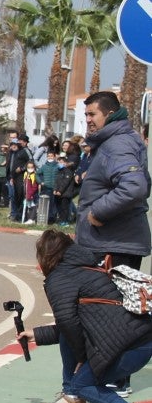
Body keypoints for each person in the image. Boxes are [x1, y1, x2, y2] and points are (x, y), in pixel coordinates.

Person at [19, 229, 152, 403]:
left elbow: (69, 323)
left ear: (46, 256)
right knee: (68, 338)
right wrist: (38, 335)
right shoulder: (91, 268)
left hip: (128, 348)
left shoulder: (59, 278)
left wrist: (82, 359)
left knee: (83, 383)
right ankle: (73, 399)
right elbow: (75, 324)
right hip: (139, 341)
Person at [75, 90, 151, 271]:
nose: (88, 120)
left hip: (112, 246)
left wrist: (98, 212)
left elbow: (134, 186)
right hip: (112, 242)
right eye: (86, 114)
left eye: (92, 114)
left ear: (109, 114)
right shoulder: (115, 140)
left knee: (103, 300)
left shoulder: (116, 144)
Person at [9, 133, 33, 221]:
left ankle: (21, 216)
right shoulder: (18, 150)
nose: (19, 142)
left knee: (21, 195)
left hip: (22, 177)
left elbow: (31, 160)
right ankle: (16, 215)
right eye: (18, 141)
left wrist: (23, 168)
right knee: (16, 197)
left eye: (21, 141)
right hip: (15, 177)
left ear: (25, 142)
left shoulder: (26, 150)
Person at [37, 150, 60, 223]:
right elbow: (37, 174)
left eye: (51, 156)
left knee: (55, 204)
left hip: (55, 188)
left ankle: (53, 218)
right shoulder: (44, 166)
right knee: (47, 203)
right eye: (48, 156)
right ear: (47, 157)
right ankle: (47, 218)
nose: (50, 157)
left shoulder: (58, 166)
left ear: (54, 157)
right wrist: (41, 182)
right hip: (46, 188)